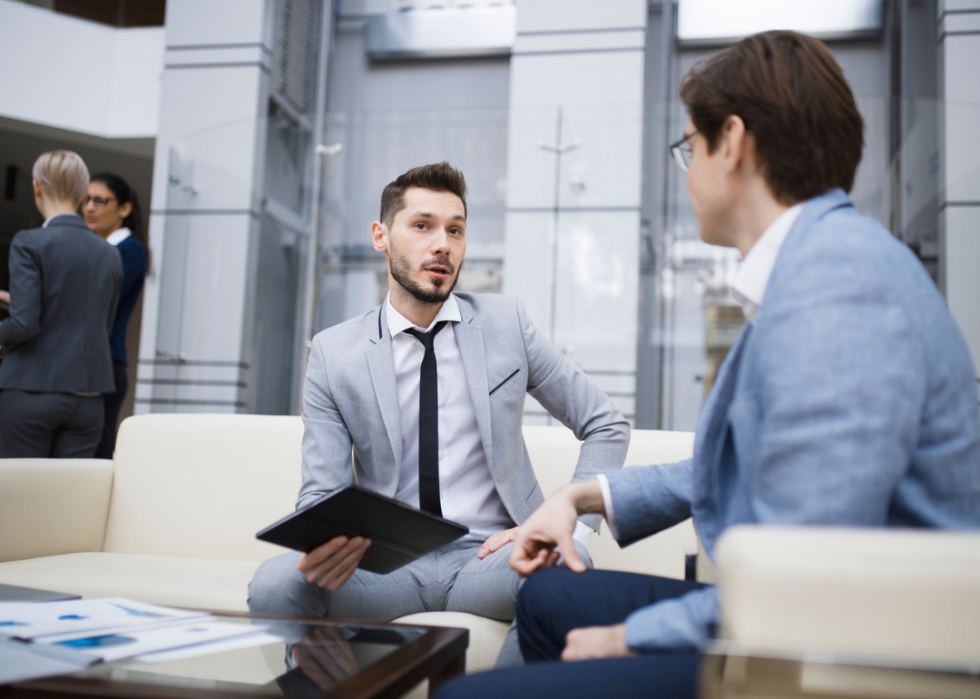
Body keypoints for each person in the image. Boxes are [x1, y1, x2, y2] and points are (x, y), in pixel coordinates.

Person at [434, 30, 980, 699]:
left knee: (463, 694)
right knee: (547, 597)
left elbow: (803, 569)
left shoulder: (840, 284)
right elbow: (751, 460)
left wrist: (632, 638)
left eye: (689, 145)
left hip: (847, 655)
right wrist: (579, 496)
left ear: (734, 141)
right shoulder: (821, 264)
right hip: (816, 615)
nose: (687, 168)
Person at [248, 162, 629, 665]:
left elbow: (605, 423)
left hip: (492, 557)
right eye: (423, 226)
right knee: (276, 583)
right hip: (385, 568)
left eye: (456, 230)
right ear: (381, 236)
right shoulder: (334, 352)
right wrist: (324, 541)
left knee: (563, 570)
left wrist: (568, 526)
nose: (442, 244)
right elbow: (322, 489)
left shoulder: (505, 325)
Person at [0, 151, 122, 458]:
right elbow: (99, 325)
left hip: (31, 391)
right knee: (67, 500)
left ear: (37, 187)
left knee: (23, 498)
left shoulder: (29, 242)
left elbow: (23, 325)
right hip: (88, 400)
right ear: (82, 193)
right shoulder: (109, 253)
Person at [83, 172, 148, 459]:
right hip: (87, 363)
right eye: (86, 200)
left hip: (105, 364)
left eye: (100, 200)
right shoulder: (96, 248)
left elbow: (95, 304)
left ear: (124, 209)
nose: (89, 207)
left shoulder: (129, 250)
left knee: (95, 453)